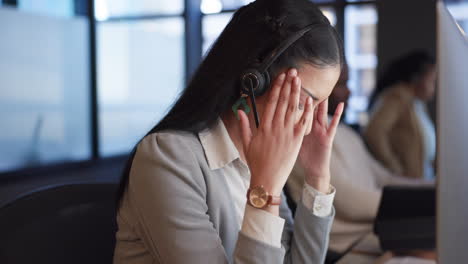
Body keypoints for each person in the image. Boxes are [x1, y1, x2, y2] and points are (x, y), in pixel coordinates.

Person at [113, 0, 345, 263]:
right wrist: (265, 189)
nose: (306, 125)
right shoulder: (166, 157)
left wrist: (316, 177)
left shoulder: (256, 157)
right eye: (301, 102)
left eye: (317, 108)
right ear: (252, 81)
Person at [287, 64, 434, 263]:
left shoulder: (346, 133)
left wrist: (434, 189)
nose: (348, 91)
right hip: (344, 246)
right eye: (340, 84)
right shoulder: (302, 137)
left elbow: (384, 178)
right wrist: (428, 200)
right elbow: (348, 200)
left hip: (374, 233)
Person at [365, 51, 437, 180]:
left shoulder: (417, 103)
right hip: (407, 181)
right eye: (431, 80)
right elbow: (374, 132)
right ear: (417, 78)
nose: (434, 87)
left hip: (422, 178)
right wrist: (394, 167)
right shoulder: (396, 98)